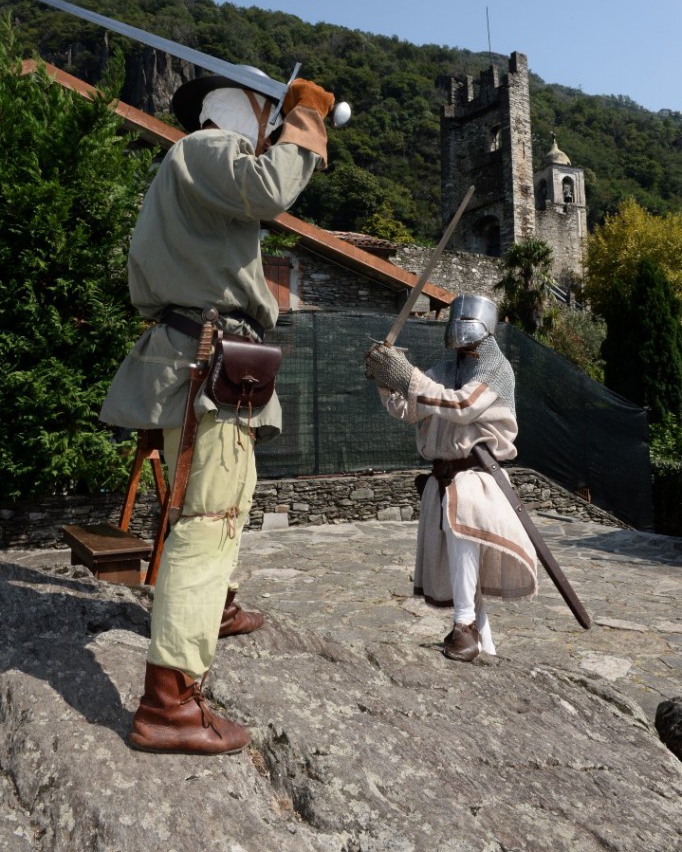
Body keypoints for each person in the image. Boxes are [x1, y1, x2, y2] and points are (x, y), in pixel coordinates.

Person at [100, 69, 334, 753]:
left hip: (194, 355)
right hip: (207, 361)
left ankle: (214, 608)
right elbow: (273, 189)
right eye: (270, 119)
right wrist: (307, 121)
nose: (269, 135)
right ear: (251, 113)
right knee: (211, 518)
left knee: (213, 505)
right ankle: (169, 703)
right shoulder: (206, 149)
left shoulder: (191, 171)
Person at [364, 294, 537, 662]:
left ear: (484, 326)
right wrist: (386, 381)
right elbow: (410, 409)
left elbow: (462, 406)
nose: (458, 330)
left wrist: (409, 378)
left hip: (477, 477)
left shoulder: (497, 369)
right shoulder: (445, 369)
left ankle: (464, 624)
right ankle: (484, 642)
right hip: (442, 477)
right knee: (461, 557)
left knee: (463, 538)